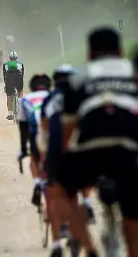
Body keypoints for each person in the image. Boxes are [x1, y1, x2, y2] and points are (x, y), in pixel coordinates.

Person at [53, 27, 138, 257]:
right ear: (120, 51)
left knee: (61, 191)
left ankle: (90, 250)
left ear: (89, 54)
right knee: (133, 208)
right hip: (129, 148)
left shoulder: (78, 77)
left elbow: (68, 129)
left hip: (91, 148)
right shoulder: (133, 71)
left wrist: (59, 159)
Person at [39, 65, 93, 257]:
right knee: (77, 190)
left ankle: (55, 245)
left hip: (56, 150)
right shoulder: (84, 95)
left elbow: (44, 131)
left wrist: (43, 158)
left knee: (55, 196)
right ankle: (87, 203)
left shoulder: (50, 99)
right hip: (80, 148)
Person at [17, 74, 50, 206]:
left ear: (31, 87)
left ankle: (37, 183)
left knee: (34, 159)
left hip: (35, 132)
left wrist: (24, 149)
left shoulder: (25, 99)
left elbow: (23, 127)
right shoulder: (54, 95)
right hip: (53, 131)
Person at [3, 51, 24, 120]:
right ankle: (21, 110)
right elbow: (22, 75)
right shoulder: (21, 64)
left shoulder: (5, 64)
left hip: (9, 81)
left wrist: (6, 84)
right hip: (19, 81)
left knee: (9, 97)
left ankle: (10, 114)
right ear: (16, 58)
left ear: (9, 58)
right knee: (20, 93)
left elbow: (4, 75)